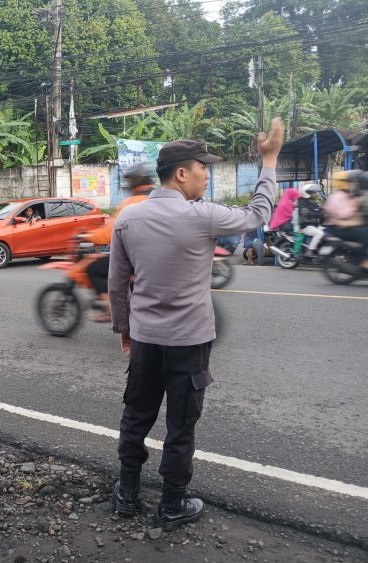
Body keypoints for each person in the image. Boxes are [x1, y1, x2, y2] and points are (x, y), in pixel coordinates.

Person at [107, 118, 283, 531]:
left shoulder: (128, 219)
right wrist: (269, 161)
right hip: (190, 342)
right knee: (180, 424)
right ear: (182, 173)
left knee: (136, 416)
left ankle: (127, 494)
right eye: (203, 168)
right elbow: (258, 213)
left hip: (146, 340)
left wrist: (125, 330)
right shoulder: (202, 216)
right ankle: (171, 505)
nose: (207, 174)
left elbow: (117, 284)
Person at [85, 162, 156, 321]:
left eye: (130, 180)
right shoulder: (157, 196)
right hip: (156, 256)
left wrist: (88, 237)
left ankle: (109, 309)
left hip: (136, 258)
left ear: (136, 180)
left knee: (94, 268)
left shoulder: (132, 202)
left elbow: (111, 231)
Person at [323, 170, 368, 269]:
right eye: (348, 182)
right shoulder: (338, 197)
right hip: (337, 228)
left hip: (344, 225)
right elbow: (344, 215)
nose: (350, 184)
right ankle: (363, 260)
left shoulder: (346, 195)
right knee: (364, 233)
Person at [297, 183, 324, 257]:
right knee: (319, 234)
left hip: (313, 225)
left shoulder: (312, 202)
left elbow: (318, 209)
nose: (316, 194)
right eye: (314, 193)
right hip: (306, 226)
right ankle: (309, 250)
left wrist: (323, 210)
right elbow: (306, 212)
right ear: (308, 193)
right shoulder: (302, 202)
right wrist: (318, 213)